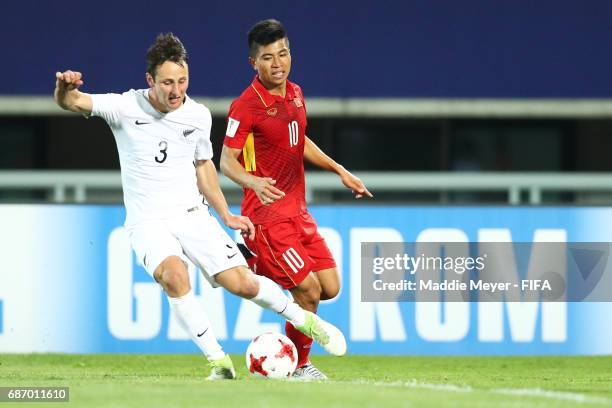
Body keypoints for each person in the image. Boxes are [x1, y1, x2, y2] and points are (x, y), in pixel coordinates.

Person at [54, 32, 346, 380]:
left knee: (244, 284)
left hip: (193, 215)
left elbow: (203, 166)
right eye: (167, 83)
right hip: (148, 222)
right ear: (150, 80)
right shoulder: (124, 107)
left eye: (182, 81)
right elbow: (71, 102)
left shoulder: (197, 115)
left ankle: (306, 321)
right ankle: (219, 362)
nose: (176, 90)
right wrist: (64, 87)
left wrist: (226, 214)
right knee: (173, 276)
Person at [221, 20, 372, 380]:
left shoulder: (295, 93)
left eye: (284, 54)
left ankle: (253, 262)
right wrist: (252, 181)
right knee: (309, 291)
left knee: (330, 288)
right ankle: (301, 366)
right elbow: (225, 161)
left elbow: (298, 140)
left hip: (298, 213)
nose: (278, 64)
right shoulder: (245, 107)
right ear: (253, 63)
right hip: (268, 217)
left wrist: (338, 169)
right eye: (268, 58)